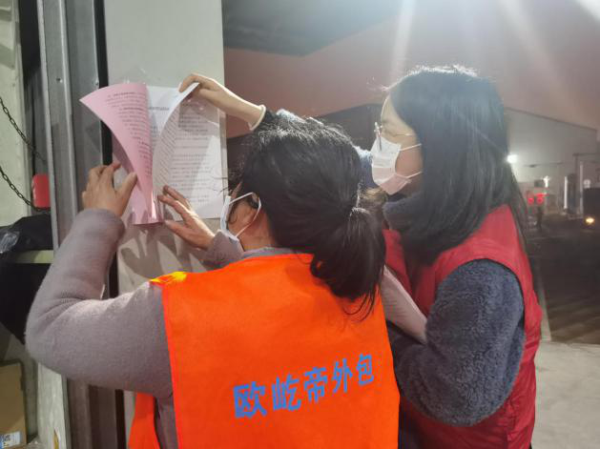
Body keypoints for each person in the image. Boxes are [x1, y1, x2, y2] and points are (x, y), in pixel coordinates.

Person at [180, 65, 541, 449]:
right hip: (412, 425)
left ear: (439, 146)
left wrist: (368, 329)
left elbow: (456, 395)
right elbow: (338, 158)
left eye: (389, 132)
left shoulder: (483, 271)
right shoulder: (417, 187)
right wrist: (249, 112)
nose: (377, 144)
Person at [25, 117, 401, 448]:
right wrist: (226, 251)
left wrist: (99, 219)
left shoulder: (176, 317)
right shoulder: (356, 283)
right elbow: (282, 312)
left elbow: (49, 326)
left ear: (252, 210)